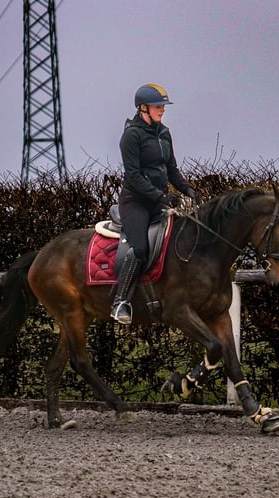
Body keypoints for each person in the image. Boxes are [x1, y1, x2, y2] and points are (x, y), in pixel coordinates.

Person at [111, 83, 200, 324]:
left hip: (158, 200)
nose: (162, 110)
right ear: (142, 108)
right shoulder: (131, 136)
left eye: (163, 106)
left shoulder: (164, 133)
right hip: (135, 202)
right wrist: (159, 196)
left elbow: (171, 169)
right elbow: (134, 176)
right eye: (157, 106)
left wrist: (189, 189)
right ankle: (121, 302)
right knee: (140, 248)